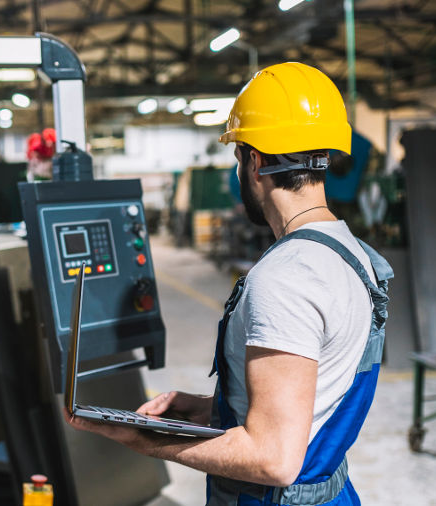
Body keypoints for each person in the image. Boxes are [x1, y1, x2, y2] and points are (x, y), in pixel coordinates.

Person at [64, 62, 393, 506]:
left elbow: (273, 459)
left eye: (238, 156)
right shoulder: (355, 256)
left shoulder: (287, 278)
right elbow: (310, 400)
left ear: (253, 162)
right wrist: (208, 410)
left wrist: (147, 441)